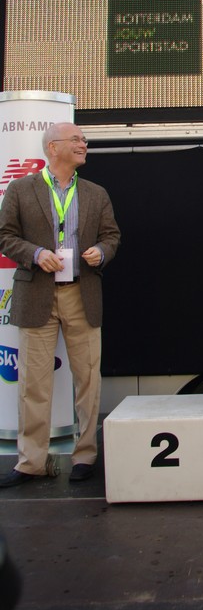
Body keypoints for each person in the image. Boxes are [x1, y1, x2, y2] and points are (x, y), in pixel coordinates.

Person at [0, 123, 120, 488]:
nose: (84, 144)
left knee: (88, 379)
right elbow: (5, 236)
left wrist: (101, 252)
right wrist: (36, 253)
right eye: (77, 139)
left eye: (84, 139)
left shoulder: (96, 193)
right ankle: (31, 462)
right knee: (33, 383)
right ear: (53, 148)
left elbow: (111, 236)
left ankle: (85, 456)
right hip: (37, 293)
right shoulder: (21, 189)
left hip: (82, 293)